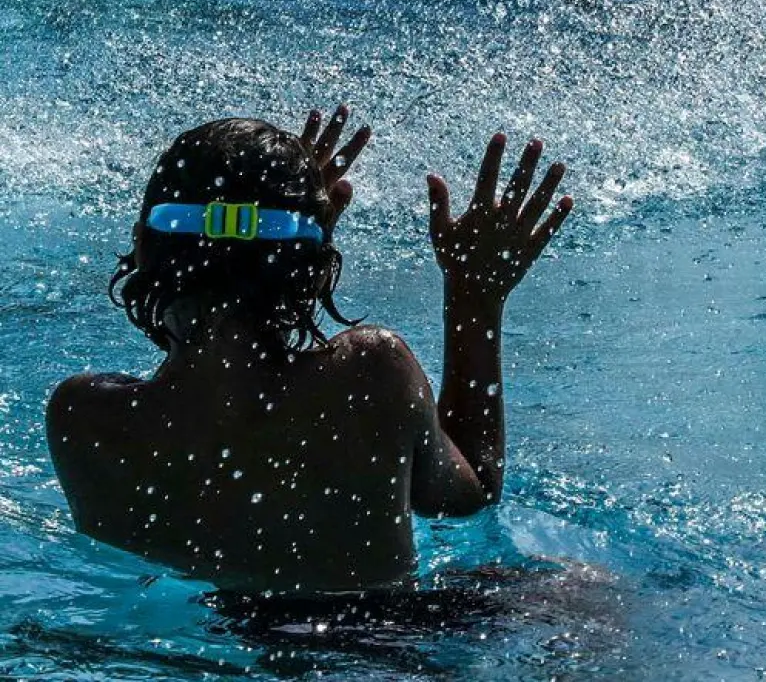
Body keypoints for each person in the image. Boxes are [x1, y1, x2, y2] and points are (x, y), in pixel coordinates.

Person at [45, 106, 573, 595]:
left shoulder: (84, 419)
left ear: (142, 244)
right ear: (310, 265)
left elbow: (211, 391)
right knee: (580, 588)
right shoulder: (369, 374)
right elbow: (470, 494)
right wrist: (473, 295)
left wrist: (296, 252)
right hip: (380, 650)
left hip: (193, 648)